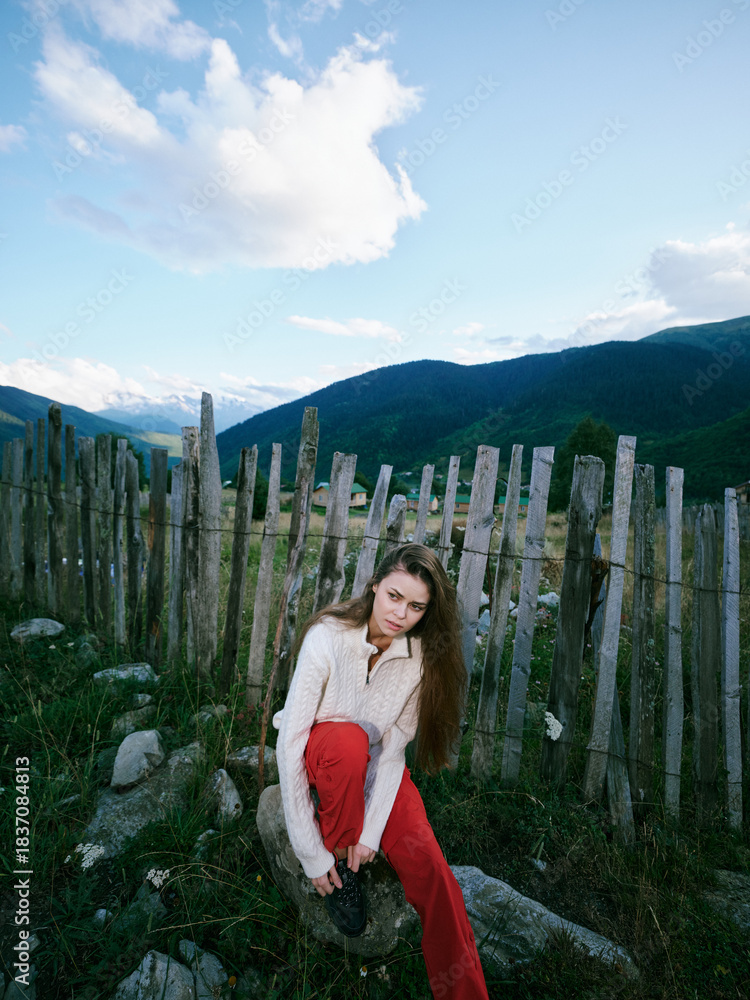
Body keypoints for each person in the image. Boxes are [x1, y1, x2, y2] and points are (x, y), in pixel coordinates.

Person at [274, 543, 489, 1000]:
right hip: (324, 752)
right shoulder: (327, 637)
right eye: (394, 596)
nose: (400, 614)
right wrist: (312, 853)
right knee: (350, 742)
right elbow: (290, 741)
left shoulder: (420, 657)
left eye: (416, 606)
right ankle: (338, 862)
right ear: (374, 585)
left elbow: (393, 751)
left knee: (434, 871)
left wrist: (370, 833)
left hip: (375, 768)